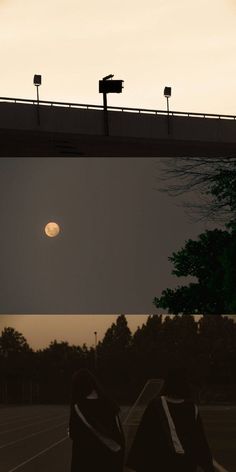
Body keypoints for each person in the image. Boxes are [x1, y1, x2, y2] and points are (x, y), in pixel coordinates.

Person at [126, 368, 215, 472]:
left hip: (162, 462)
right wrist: (207, 465)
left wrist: (134, 464)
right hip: (186, 464)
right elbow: (200, 441)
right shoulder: (192, 408)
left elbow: (144, 436)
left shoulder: (156, 405)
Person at [69, 368, 125, 472]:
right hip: (111, 460)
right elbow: (119, 435)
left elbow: (74, 434)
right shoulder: (110, 404)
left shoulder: (79, 407)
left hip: (87, 462)